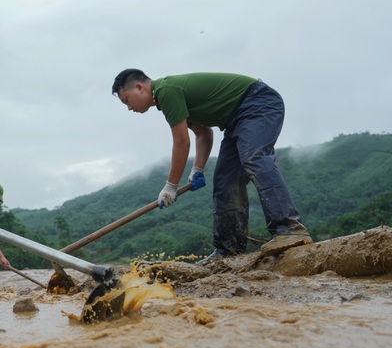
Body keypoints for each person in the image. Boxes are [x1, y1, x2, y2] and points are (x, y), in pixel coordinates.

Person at [111, 69, 312, 264]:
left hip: (257, 103)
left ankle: (289, 229)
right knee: (225, 181)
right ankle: (229, 250)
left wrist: (171, 186)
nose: (129, 108)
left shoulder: (165, 91)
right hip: (235, 121)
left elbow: (181, 142)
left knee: (255, 158)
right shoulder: (167, 96)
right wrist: (197, 169)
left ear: (139, 87)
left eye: (126, 100)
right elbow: (203, 133)